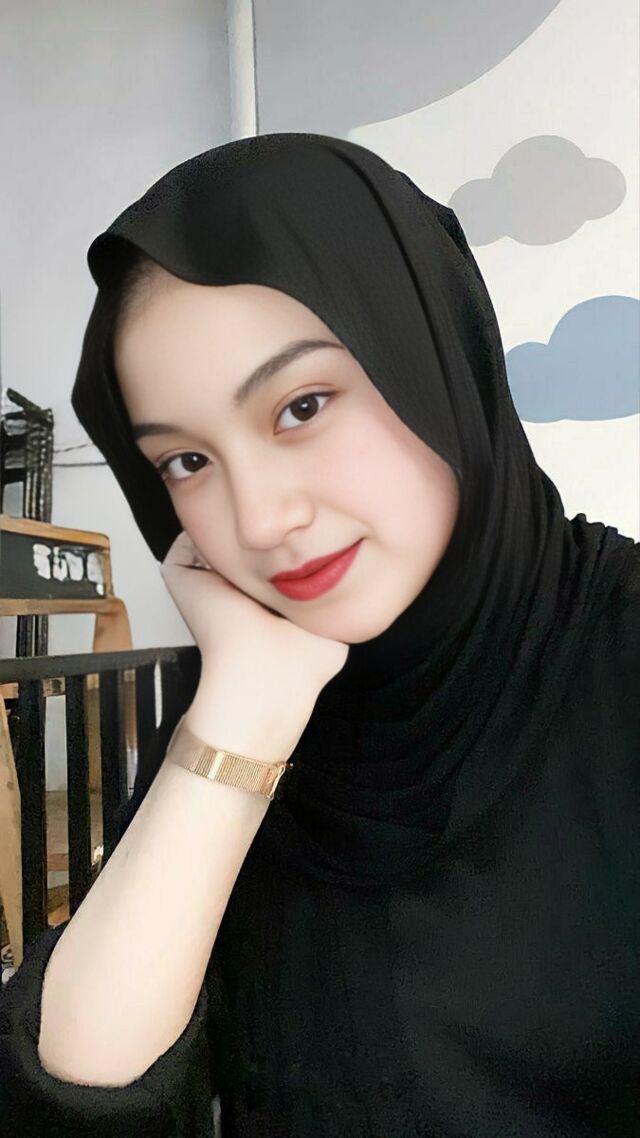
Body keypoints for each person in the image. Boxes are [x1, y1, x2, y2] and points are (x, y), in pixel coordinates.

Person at [1, 132, 638, 1137]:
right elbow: (76, 1100)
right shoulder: (242, 700)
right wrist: (245, 716)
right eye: (185, 462)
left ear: (434, 357)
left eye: (301, 406)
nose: (258, 521)